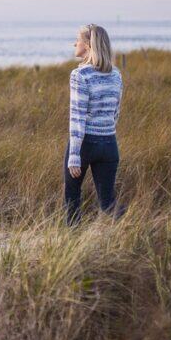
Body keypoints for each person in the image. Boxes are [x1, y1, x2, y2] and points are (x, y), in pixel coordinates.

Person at [65, 23, 123, 226]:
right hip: (109, 144)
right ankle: (137, 226)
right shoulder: (115, 74)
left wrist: (74, 155)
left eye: (78, 40)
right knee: (108, 204)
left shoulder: (80, 75)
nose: (75, 43)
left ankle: (71, 245)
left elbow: (77, 117)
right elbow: (115, 112)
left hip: (85, 144)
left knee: (72, 196)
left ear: (88, 45)